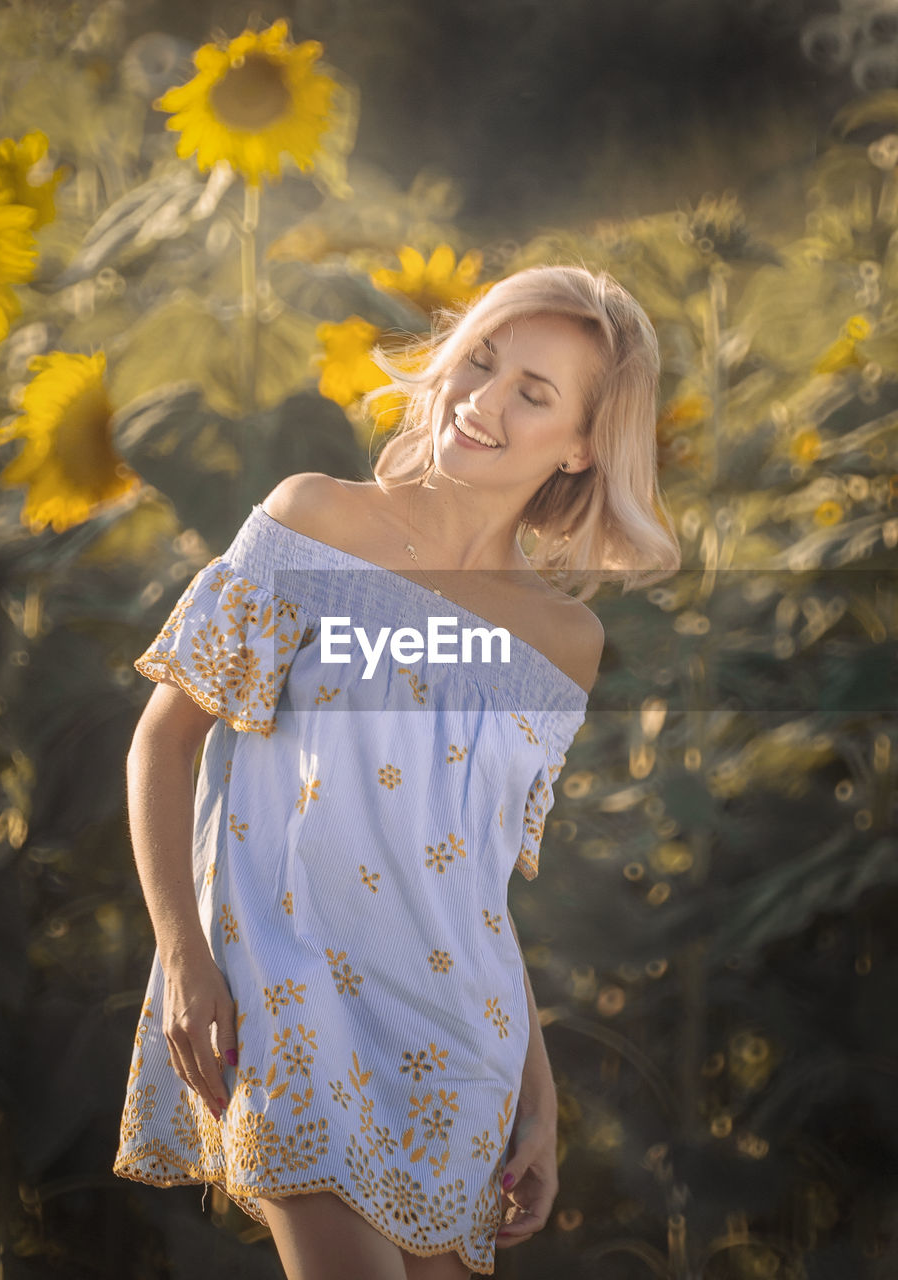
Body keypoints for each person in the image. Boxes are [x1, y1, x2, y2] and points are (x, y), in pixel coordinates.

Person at [112, 264, 681, 1279]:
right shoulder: (318, 519)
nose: (482, 400)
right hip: (285, 993)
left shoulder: (565, 641)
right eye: (481, 361)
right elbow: (166, 735)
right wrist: (184, 955)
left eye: (532, 393)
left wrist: (536, 1094)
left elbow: (474, 887)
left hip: (456, 1036)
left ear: (586, 443)